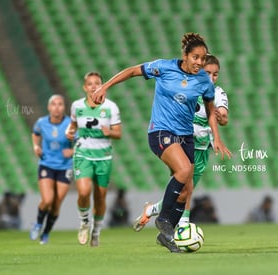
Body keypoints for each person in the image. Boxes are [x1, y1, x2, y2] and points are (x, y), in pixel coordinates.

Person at [92, 33, 232, 253]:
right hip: (161, 131)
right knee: (184, 170)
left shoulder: (204, 81)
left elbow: (210, 111)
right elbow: (131, 71)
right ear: (185, 55)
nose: (199, 62)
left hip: (186, 136)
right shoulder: (164, 68)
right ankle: (163, 219)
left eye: (202, 59)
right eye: (195, 57)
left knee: (187, 191)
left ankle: (165, 236)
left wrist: (218, 138)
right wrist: (104, 87)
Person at [132, 54, 229, 231]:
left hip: (202, 148)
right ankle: (183, 226)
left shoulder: (217, 93)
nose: (211, 78)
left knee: (184, 191)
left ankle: (152, 209)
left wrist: (219, 116)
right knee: (188, 186)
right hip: (182, 141)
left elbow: (223, 118)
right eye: (207, 73)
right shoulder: (188, 87)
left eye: (215, 74)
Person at [66, 71, 122, 247]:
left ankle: (96, 231)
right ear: (85, 87)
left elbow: (118, 133)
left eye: (97, 83)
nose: (93, 86)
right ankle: (84, 221)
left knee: (100, 197)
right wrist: (70, 131)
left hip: (104, 155)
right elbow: (73, 125)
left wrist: (110, 132)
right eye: (90, 84)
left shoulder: (111, 107)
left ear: (102, 86)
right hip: (83, 153)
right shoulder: (76, 106)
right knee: (83, 192)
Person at [30, 95, 73, 244]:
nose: (57, 107)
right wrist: (36, 146)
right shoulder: (41, 123)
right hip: (47, 164)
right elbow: (35, 134)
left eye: (60, 104)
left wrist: (72, 151)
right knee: (47, 200)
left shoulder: (70, 124)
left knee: (56, 204)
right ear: (49, 107)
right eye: (53, 104)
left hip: (64, 166)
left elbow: (81, 141)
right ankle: (38, 223)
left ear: (64, 107)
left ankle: (46, 233)